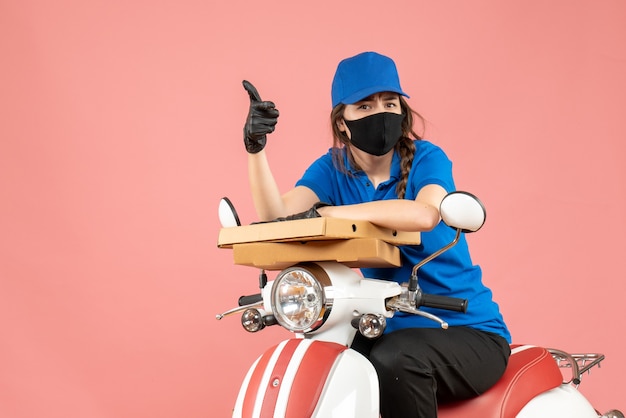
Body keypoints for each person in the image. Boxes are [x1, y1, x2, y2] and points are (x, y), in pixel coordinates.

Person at [241, 51, 511, 418]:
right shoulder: (334, 168)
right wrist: (256, 150)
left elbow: (424, 213)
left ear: (402, 110)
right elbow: (277, 216)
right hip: (384, 325)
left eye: (389, 103)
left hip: (464, 328)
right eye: (365, 106)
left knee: (395, 359)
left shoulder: (425, 158)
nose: (380, 113)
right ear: (342, 123)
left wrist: (330, 213)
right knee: (329, 360)